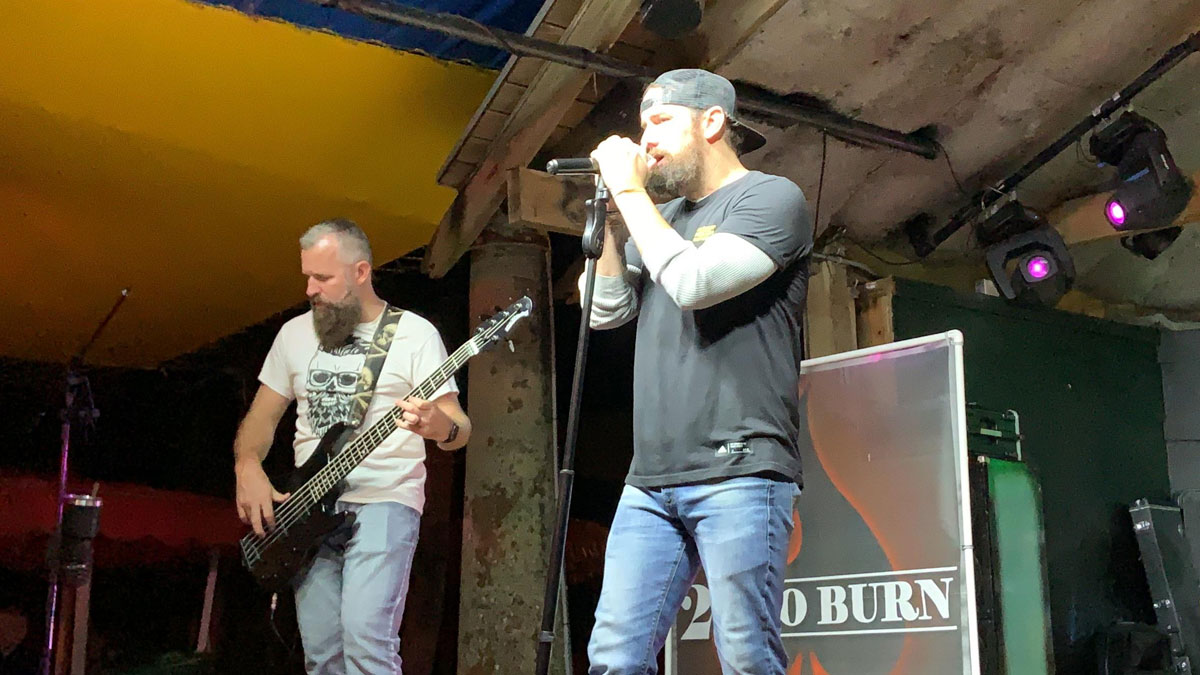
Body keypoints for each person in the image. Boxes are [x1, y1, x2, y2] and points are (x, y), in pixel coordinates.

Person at [581, 69, 813, 674]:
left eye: (660, 121)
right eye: (642, 126)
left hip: (740, 467)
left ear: (712, 122)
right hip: (651, 477)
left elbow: (694, 283)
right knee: (614, 658)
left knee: (745, 655)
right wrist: (612, 219)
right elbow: (604, 312)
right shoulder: (661, 220)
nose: (646, 140)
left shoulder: (771, 198)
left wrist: (630, 192)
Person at [233, 219, 471, 675]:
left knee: (366, 640)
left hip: (386, 499)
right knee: (322, 652)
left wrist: (439, 426)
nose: (310, 289)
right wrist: (248, 466)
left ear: (361, 272)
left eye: (323, 278)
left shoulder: (414, 334)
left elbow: (459, 427)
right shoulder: (294, 335)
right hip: (307, 507)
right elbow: (260, 419)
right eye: (307, 276)